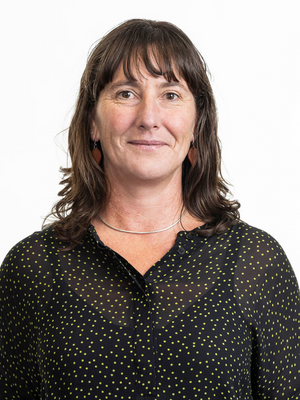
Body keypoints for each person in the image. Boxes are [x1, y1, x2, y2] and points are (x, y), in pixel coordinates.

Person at [0, 19, 299, 400]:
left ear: (196, 124)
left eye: (171, 95)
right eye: (126, 93)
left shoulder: (255, 263)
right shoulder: (32, 267)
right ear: (93, 121)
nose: (149, 117)